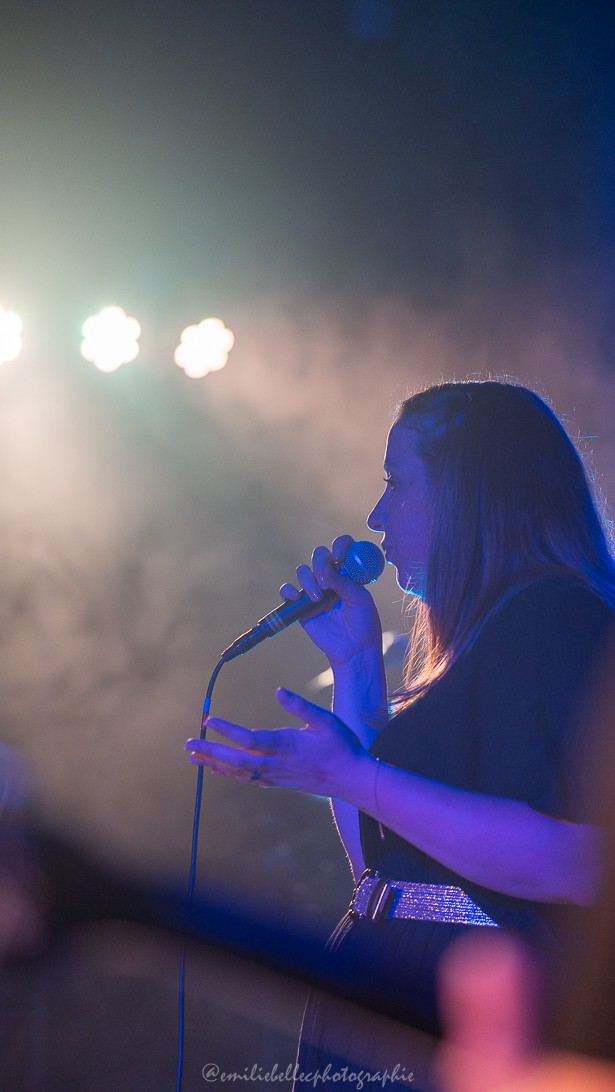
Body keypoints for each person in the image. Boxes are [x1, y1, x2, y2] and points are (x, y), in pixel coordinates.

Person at [185, 380, 615, 1084]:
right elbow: (379, 873)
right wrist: (355, 666)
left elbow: (574, 861)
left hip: (473, 1009)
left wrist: (350, 775)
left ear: (473, 493)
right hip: (394, 985)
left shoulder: (556, 618)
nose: (377, 516)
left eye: (397, 482)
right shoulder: (488, 640)